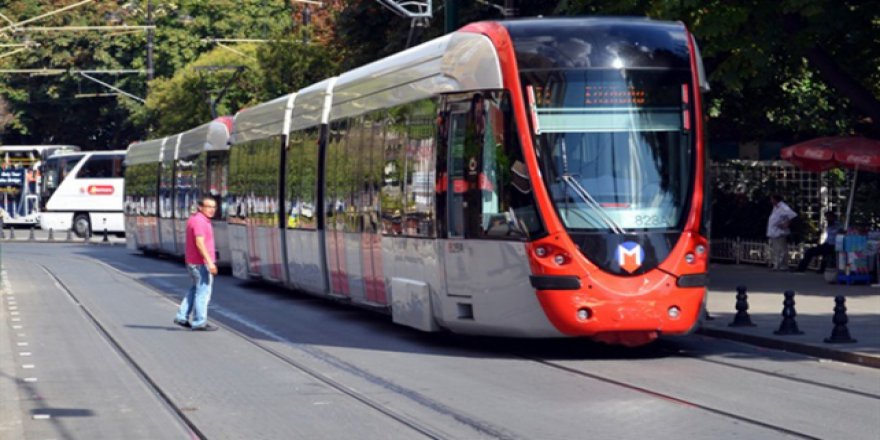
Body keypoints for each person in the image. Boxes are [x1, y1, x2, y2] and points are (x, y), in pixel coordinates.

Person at [174, 196, 220, 331]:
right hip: (200, 263)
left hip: (194, 262)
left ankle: (182, 316)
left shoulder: (197, 219)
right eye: (208, 207)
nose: (212, 210)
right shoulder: (200, 221)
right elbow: (200, 243)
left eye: (214, 207)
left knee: (196, 289)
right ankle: (199, 321)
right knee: (203, 292)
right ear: (201, 207)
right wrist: (210, 263)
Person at [767, 194, 797, 271]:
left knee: (782, 249)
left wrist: (786, 224)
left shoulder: (783, 207)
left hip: (780, 231)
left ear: (775, 199)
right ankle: (776, 264)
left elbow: (792, 215)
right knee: (776, 249)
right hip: (774, 231)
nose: (771, 201)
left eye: (772, 199)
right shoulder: (776, 207)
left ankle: (783, 265)